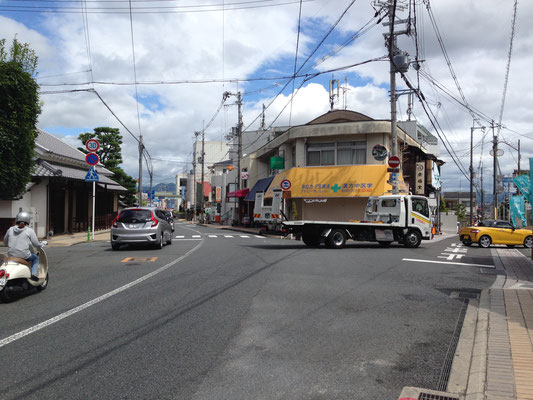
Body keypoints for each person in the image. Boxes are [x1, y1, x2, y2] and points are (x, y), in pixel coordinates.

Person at [3, 212, 47, 280]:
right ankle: (33, 274)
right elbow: (35, 244)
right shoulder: (29, 231)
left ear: (17, 220)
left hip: (11, 255)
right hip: (24, 255)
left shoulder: (10, 229)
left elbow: (5, 242)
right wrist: (43, 243)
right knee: (35, 258)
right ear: (27, 221)